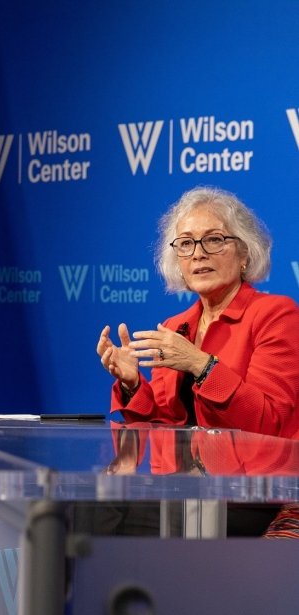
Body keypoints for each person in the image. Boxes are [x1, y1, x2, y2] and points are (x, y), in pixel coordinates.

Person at [96, 186, 299, 535]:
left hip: (247, 494)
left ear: (244, 254)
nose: (198, 254)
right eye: (186, 244)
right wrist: (132, 385)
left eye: (214, 240)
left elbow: (269, 423)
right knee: (91, 505)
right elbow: (165, 424)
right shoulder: (177, 328)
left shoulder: (275, 316)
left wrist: (202, 366)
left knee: (123, 519)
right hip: (184, 488)